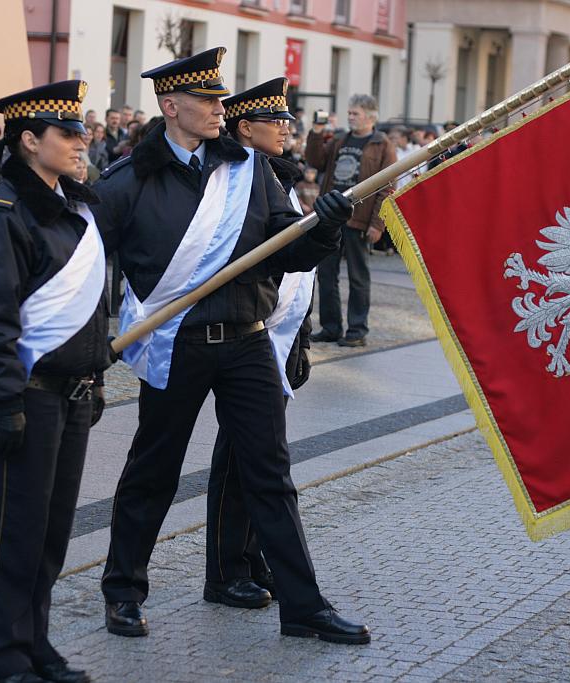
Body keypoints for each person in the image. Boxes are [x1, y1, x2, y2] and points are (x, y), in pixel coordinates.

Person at [93, 47, 370, 645]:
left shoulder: (248, 169)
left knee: (270, 474)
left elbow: (285, 251)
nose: (221, 109)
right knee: (153, 471)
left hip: (245, 340)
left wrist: (320, 227)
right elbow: (94, 267)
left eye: (222, 99)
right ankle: (123, 592)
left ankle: (302, 606)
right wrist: (93, 347)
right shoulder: (129, 181)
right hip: (177, 344)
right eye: (208, 100)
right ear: (171, 106)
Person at [0, 78, 107, 683]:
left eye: (82, 131)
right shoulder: (0, 216)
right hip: (28, 397)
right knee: (13, 536)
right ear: (28, 141)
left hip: (72, 397)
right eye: (67, 133)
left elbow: (94, 308)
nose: (81, 141)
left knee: (50, 535)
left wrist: (94, 378)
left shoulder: (75, 212)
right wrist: (5, 401)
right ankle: (0, 660)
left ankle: (35, 644)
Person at [202, 76, 315, 610]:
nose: (287, 129)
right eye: (277, 121)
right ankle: (226, 569)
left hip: (276, 338)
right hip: (249, 336)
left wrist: (302, 340)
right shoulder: (241, 181)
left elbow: (296, 271)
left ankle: (250, 555)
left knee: (261, 459)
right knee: (235, 461)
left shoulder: (277, 176)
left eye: (287, 120)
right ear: (245, 128)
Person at [305, 93, 396, 347]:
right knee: (326, 274)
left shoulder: (382, 144)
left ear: (370, 116)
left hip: (359, 219)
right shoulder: (339, 139)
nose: (350, 117)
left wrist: (378, 223)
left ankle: (357, 330)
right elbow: (315, 161)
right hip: (331, 217)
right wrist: (315, 133)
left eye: (355, 113)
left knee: (358, 277)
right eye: (350, 113)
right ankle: (331, 327)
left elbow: (388, 187)